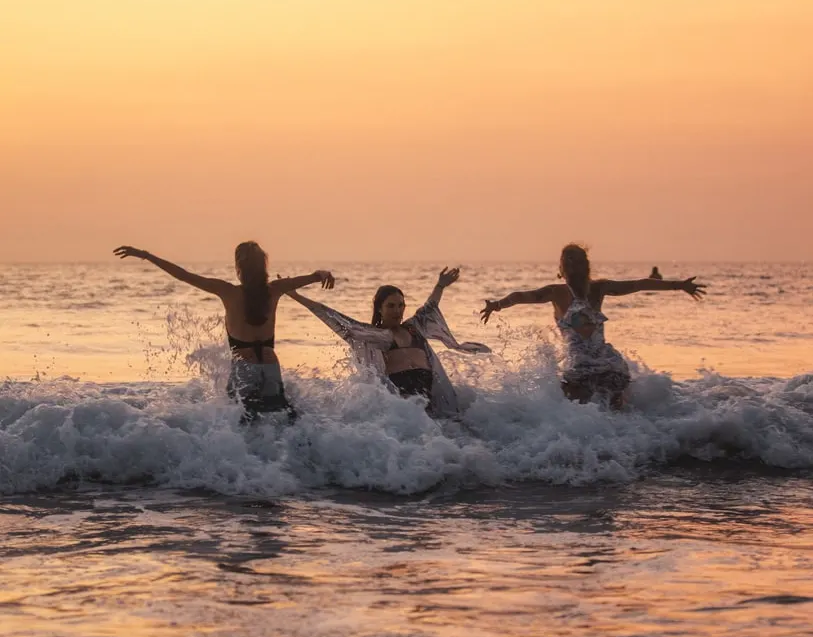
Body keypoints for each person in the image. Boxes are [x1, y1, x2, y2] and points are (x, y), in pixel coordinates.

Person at [114, 242, 334, 422]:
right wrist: (324, 274)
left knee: (241, 416)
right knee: (282, 414)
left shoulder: (226, 291)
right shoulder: (276, 289)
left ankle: (240, 465)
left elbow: (182, 275)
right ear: (263, 267)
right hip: (270, 364)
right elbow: (316, 275)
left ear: (239, 267)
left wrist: (145, 255)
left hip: (244, 366)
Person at [480, 243, 706, 409]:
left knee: (579, 417)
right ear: (587, 266)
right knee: (617, 415)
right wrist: (679, 285)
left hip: (580, 367)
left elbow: (520, 296)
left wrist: (496, 305)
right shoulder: (599, 288)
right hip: (609, 363)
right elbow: (639, 284)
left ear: (561, 268)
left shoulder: (555, 292)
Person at [286, 267, 490, 417]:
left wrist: (440, 285)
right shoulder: (372, 335)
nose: (397, 310)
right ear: (380, 309)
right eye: (391, 306)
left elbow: (430, 306)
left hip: (429, 400)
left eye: (401, 305)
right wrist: (295, 296)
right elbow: (331, 316)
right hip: (401, 406)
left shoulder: (414, 327)